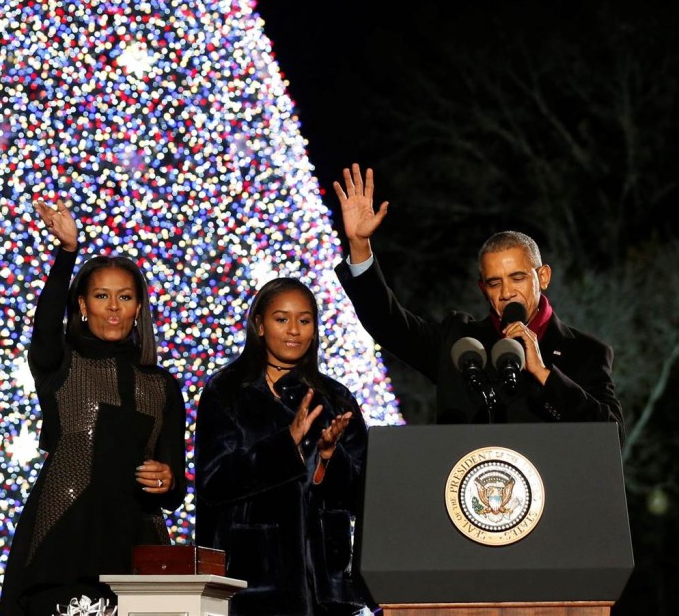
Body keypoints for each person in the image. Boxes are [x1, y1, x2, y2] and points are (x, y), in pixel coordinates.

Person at [0, 198, 187, 616]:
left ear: (139, 307)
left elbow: (174, 489)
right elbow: (46, 326)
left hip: (139, 554)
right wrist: (67, 253)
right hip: (63, 548)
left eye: (125, 297)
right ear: (82, 306)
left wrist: (168, 479)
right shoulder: (60, 364)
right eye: (102, 296)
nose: (114, 308)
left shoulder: (163, 386)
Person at [333, 163, 624, 433]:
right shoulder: (458, 342)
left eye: (518, 278)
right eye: (495, 283)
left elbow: (612, 435)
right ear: (483, 288)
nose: (507, 292)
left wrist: (542, 373)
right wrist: (359, 245)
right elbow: (388, 323)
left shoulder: (585, 352)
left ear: (543, 277)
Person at [195, 277, 373, 616]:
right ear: (260, 325)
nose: (294, 330)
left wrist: (328, 458)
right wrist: (284, 445)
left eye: (304, 320)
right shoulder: (226, 391)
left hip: (326, 587)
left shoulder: (335, 398)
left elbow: (365, 495)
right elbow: (213, 482)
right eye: (282, 319)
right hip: (251, 583)